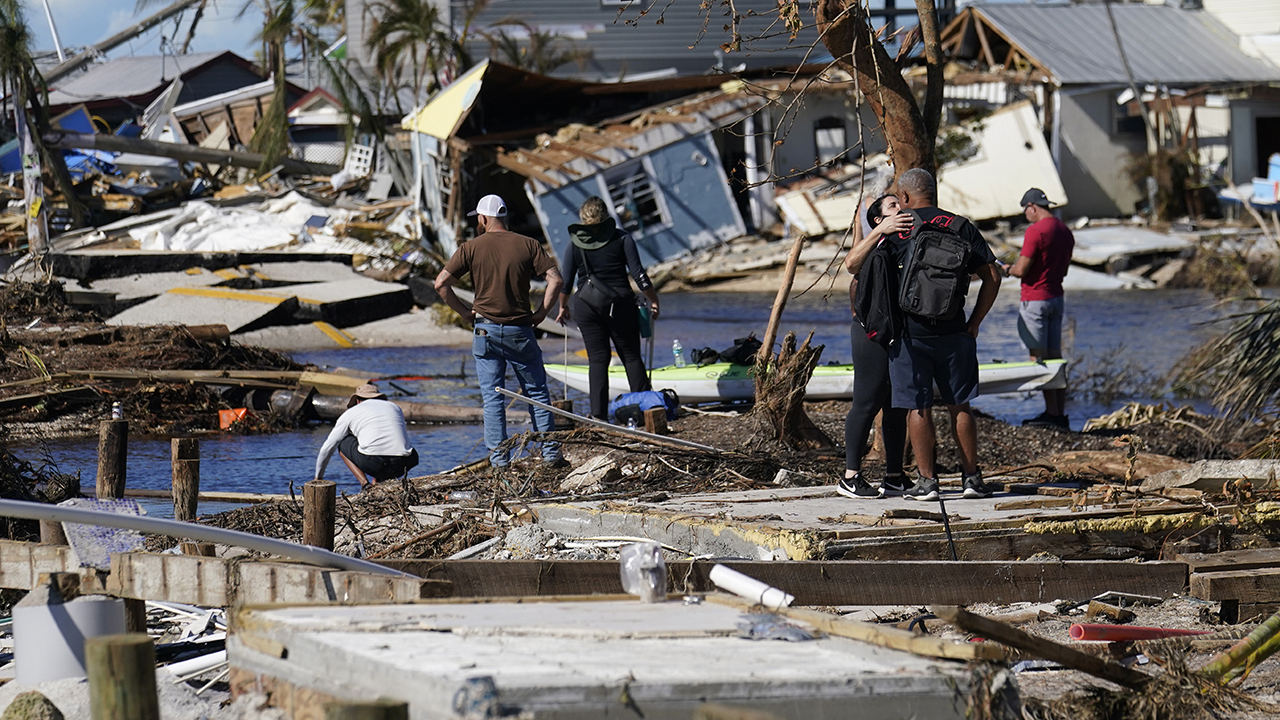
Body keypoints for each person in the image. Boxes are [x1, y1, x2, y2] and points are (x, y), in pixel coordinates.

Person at [887, 168, 1002, 501]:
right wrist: (976, 321)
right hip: (955, 329)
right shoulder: (960, 226)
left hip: (909, 333)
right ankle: (971, 479)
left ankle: (927, 482)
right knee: (960, 405)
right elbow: (992, 276)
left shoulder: (900, 227)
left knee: (918, 407)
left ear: (905, 197)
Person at [434, 194, 566, 468]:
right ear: (503, 217)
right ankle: (551, 454)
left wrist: (465, 312)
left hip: (485, 331)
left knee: (492, 397)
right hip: (520, 329)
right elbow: (555, 280)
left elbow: (441, 285)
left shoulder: (470, 247)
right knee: (537, 392)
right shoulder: (528, 244)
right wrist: (541, 313)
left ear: (483, 219)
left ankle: (500, 461)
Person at [555, 196, 661, 420]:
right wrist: (653, 299)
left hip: (586, 306)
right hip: (620, 303)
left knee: (597, 360)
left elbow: (566, 283)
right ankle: (645, 410)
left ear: (583, 218)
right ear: (605, 215)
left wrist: (562, 307)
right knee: (631, 356)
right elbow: (639, 275)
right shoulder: (622, 238)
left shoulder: (574, 243)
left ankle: (599, 417)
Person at [836, 194, 912, 499]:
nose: (899, 209)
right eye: (892, 206)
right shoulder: (876, 243)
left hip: (896, 333)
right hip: (869, 334)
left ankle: (894, 475)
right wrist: (877, 230)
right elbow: (851, 263)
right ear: (878, 220)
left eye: (900, 204)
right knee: (866, 402)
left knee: (895, 407)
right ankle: (850, 477)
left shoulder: (900, 242)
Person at [1000, 188, 1074, 430]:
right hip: (1056, 297)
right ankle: (1059, 414)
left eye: (1025, 211)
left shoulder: (1036, 231)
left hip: (1035, 300)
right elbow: (1062, 269)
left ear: (1032, 206)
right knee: (1056, 357)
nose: (1025, 216)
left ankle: (1051, 415)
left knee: (1039, 359)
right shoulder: (1065, 231)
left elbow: (1021, 270)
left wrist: (1005, 268)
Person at [314, 384, 419, 490]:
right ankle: (379, 481)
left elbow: (327, 448)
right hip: (404, 463)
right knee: (390, 444)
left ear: (358, 401)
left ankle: (365, 485)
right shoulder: (395, 407)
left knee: (342, 442)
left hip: (374, 464)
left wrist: (318, 477)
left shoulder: (350, 413)